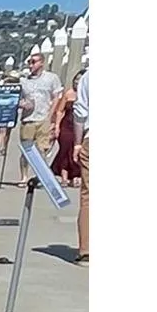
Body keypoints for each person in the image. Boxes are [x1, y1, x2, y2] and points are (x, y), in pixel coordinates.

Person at [17, 51, 61, 170]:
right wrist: (21, 104)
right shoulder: (24, 81)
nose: (31, 65)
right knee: (26, 150)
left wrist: (50, 115)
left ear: (42, 63)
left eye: (33, 62)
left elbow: (57, 96)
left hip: (43, 118)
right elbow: (17, 99)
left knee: (42, 149)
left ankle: (40, 176)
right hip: (28, 119)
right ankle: (24, 176)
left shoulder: (52, 78)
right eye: (29, 62)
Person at [71, 61, 89, 264]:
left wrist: (77, 143)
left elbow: (80, 113)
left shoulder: (88, 77)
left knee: (89, 196)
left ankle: (86, 249)